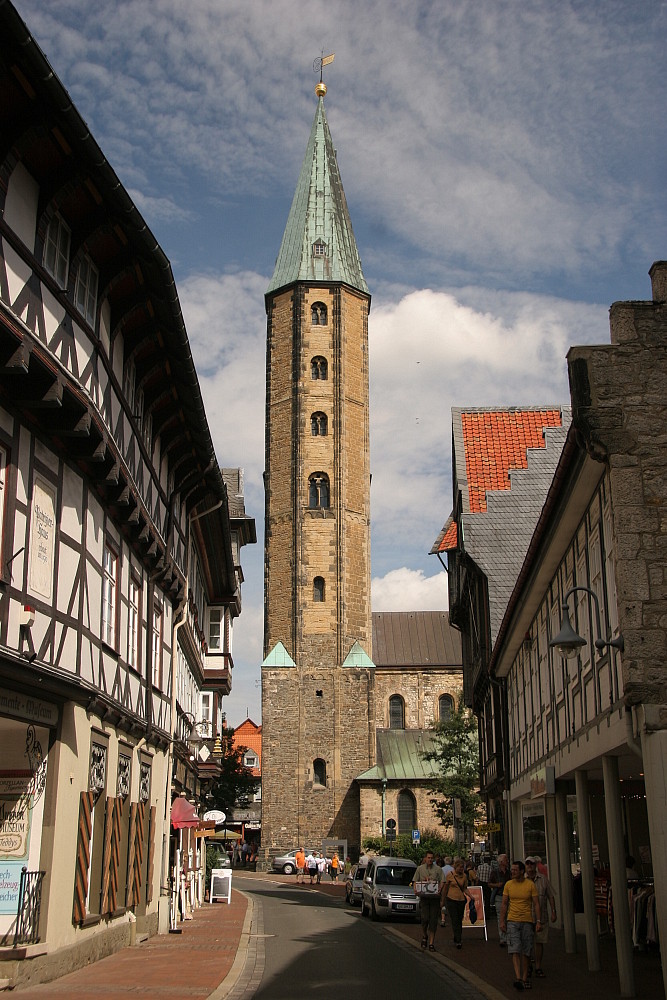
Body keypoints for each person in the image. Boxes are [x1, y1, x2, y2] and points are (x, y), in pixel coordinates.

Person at [499, 860, 540, 991]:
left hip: (527, 921)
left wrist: (538, 921)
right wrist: (502, 921)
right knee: (514, 949)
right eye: (512, 870)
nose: (512, 872)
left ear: (522, 871)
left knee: (526, 951)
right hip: (512, 920)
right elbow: (504, 904)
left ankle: (524, 977)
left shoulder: (530, 884)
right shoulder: (508, 885)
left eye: (515, 870)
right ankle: (518, 977)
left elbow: (536, 904)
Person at [524, 857, 556, 977]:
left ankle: (538, 966)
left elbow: (550, 896)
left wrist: (553, 911)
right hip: (526, 916)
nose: (530, 865)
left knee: (539, 942)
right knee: (527, 942)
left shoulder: (543, 879)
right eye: (527, 863)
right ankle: (529, 965)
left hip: (541, 916)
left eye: (532, 863)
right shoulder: (522, 880)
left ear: (535, 865)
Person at [413, 849, 445, 952]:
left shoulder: (438, 869)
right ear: (425, 858)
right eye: (428, 858)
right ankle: (424, 935)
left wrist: (440, 888)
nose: (430, 860)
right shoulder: (420, 869)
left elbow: (442, 881)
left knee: (433, 921)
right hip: (425, 898)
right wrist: (416, 889)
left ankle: (431, 943)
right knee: (424, 919)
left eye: (432, 858)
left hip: (434, 898)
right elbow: (415, 881)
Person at [443, 857, 472, 949]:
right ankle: (458, 940)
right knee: (455, 919)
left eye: (462, 867)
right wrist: (443, 900)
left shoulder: (464, 876)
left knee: (459, 919)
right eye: (459, 867)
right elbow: (445, 888)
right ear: (455, 867)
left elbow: (464, 888)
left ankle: (457, 937)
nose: (461, 869)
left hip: (461, 900)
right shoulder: (450, 875)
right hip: (451, 899)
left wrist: (471, 896)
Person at [489, 853, 511, 946]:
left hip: (510, 897)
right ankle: (503, 938)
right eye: (506, 860)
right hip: (499, 896)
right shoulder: (495, 872)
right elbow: (489, 883)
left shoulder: (509, 872)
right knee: (500, 917)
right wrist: (497, 885)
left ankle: (509, 937)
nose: (508, 861)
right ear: (501, 862)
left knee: (509, 917)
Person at [441, 856, 454, 926]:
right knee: (451, 904)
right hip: (451, 888)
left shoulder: (442, 869)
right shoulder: (453, 869)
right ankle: (452, 918)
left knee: (443, 903)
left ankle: (443, 919)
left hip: (443, 888)